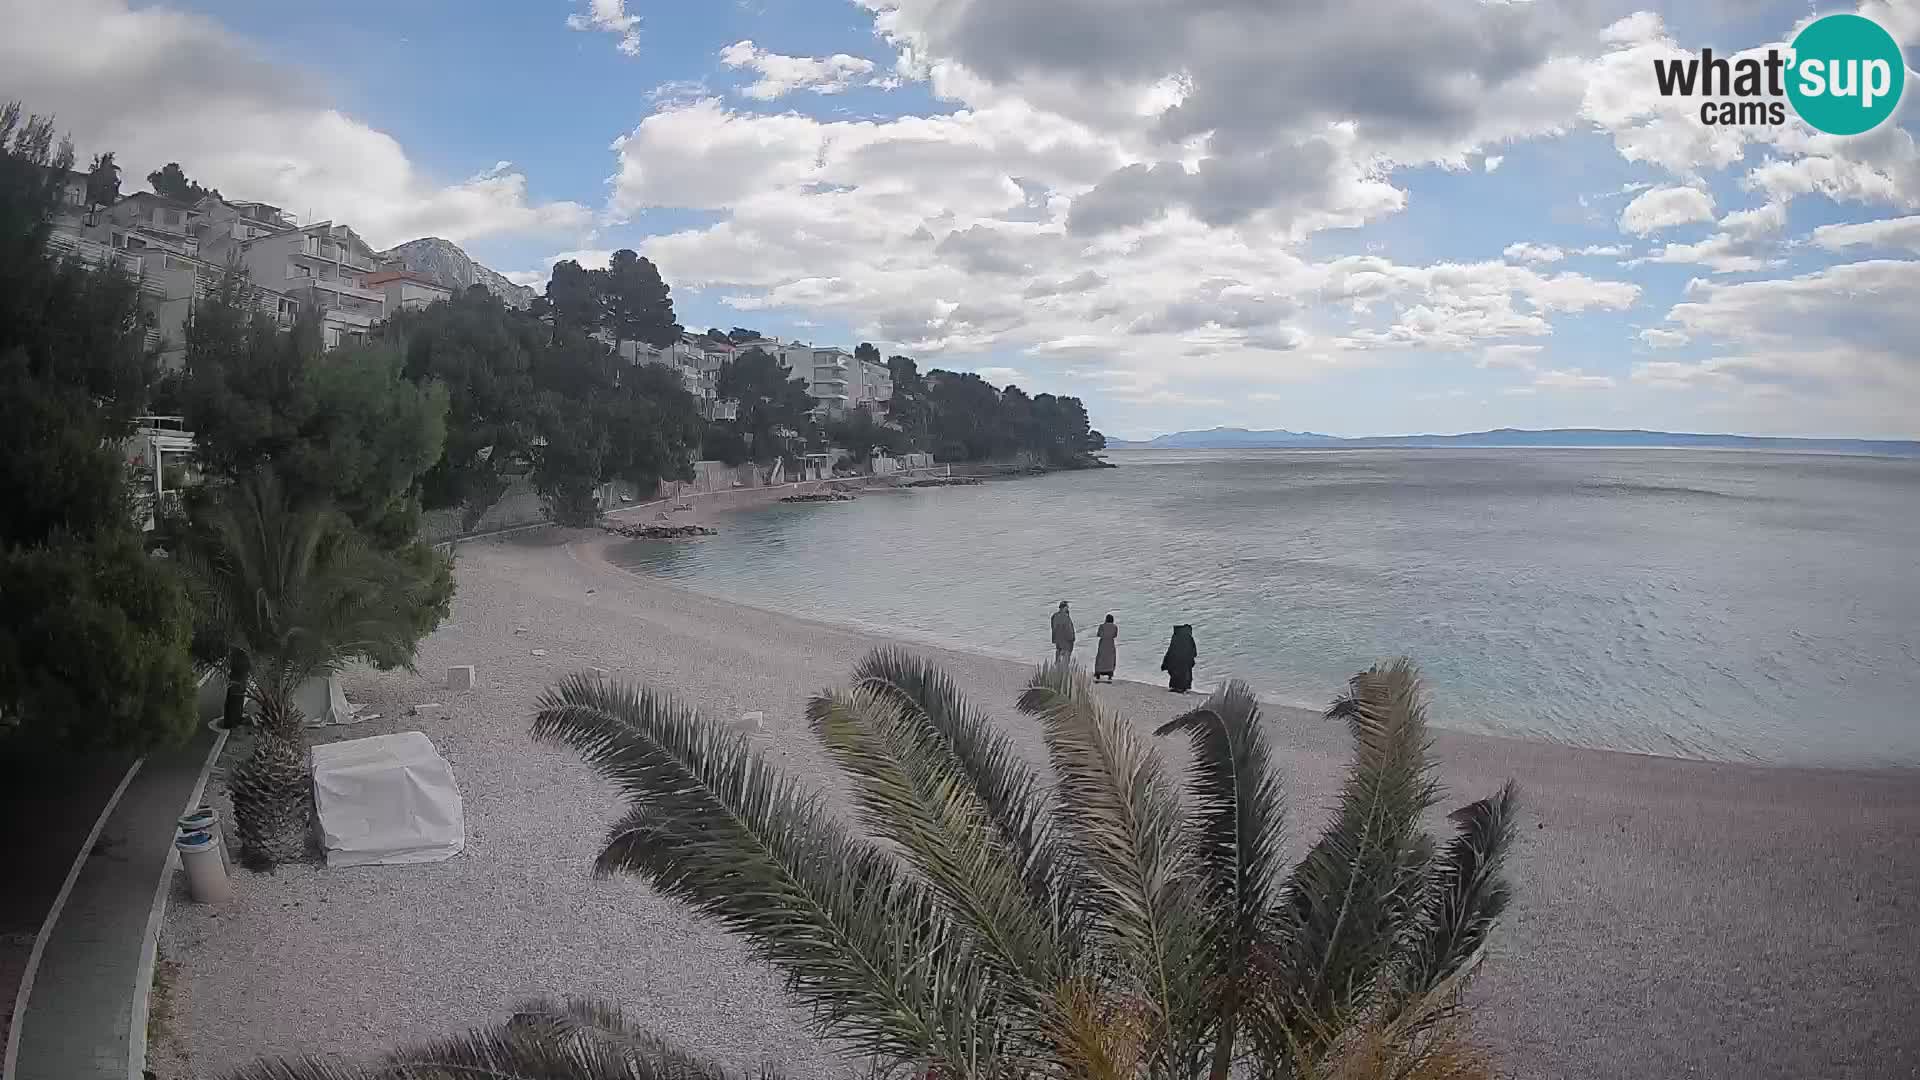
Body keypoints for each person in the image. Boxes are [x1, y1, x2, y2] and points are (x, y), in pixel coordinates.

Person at [1160, 624, 1196, 692]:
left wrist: (1166, 662)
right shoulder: (1189, 638)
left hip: (1175, 660)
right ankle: (1183, 688)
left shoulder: (1176, 636)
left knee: (1175, 672)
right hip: (1185, 661)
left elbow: (1171, 649)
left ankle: (1175, 687)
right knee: (1185, 673)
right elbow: (1193, 651)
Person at [1094, 614, 1119, 682]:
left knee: (1100, 657)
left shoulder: (1102, 626)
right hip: (1110, 644)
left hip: (1103, 643)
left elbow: (1098, 634)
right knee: (1110, 658)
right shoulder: (1115, 627)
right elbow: (1115, 635)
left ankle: (1098, 673)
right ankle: (1110, 674)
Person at [1051, 601, 1076, 667]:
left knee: (1058, 653)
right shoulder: (1066, 616)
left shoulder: (1054, 616)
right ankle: (1064, 670)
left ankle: (1057, 667)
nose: (1067, 609)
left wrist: (1054, 639)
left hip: (1057, 639)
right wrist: (1072, 638)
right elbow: (1069, 629)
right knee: (1066, 656)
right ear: (1064, 607)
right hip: (1066, 640)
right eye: (1067, 607)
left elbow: (1053, 628)